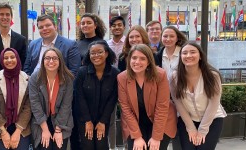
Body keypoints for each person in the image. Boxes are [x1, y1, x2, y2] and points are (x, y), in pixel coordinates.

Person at [117, 44, 177, 150]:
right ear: (129, 59)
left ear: (148, 62)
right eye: (134, 58)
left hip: (160, 121)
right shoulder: (122, 78)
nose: (137, 62)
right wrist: (137, 136)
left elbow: (162, 107)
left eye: (142, 59)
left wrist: (156, 137)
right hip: (135, 121)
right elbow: (126, 109)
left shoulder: (160, 75)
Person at [170, 42, 227, 150]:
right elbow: (178, 103)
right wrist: (191, 128)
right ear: (180, 56)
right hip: (187, 119)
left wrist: (202, 130)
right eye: (184, 53)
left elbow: (214, 103)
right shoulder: (174, 77)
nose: (188, 56)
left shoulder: (212, 75)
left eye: (192, 52)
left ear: (200, 56)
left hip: (212, 119)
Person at [75, 41, 119, 150]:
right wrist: (87, 121)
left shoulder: (115, 73)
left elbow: (112, 100)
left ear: (107, 53)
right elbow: (79, 97)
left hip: (103, 117)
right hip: (84, 118)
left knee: (101, 145)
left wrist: (103, 121)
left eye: (100, 52)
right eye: (92, 53)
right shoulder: (82, 72)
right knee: (87, 145)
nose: (96, 56)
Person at [29, 47, 75, 150]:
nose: (51, 61)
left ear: (60, 61)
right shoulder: (35, 78)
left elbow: (66, 106)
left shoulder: (67, 79)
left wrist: (58, 130)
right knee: (45, 146)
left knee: (59, 147)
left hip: (61, 120)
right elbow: (35, 104)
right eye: (47, 58)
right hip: (40, 121)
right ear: (42, 60)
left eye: (55, 58)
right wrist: (45, 130)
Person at [0, 48, 32, 149]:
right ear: (1, 60)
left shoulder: (28, 79)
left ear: (17, 58)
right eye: (6, 58)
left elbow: (28, 107)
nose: (9, 60)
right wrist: (3, 132)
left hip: (22, 127)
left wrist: (18, 131)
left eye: (12, 57)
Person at [0, 2, 27, 74]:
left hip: (15, 79)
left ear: (11, 17)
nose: (5, 17)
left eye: (7, 14)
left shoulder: (21, 40)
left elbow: (23, 62)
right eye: (1, 14)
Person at [106, 16, 125, 149]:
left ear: (124, 27)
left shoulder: (129, 43)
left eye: (119, 25)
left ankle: (126, 145)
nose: (117, 27)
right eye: (114, 25)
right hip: (110, 83)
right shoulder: (106, 45)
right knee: (111, 117)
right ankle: (112, 146)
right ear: (110, 28)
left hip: (127, 82)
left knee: (127, 116)